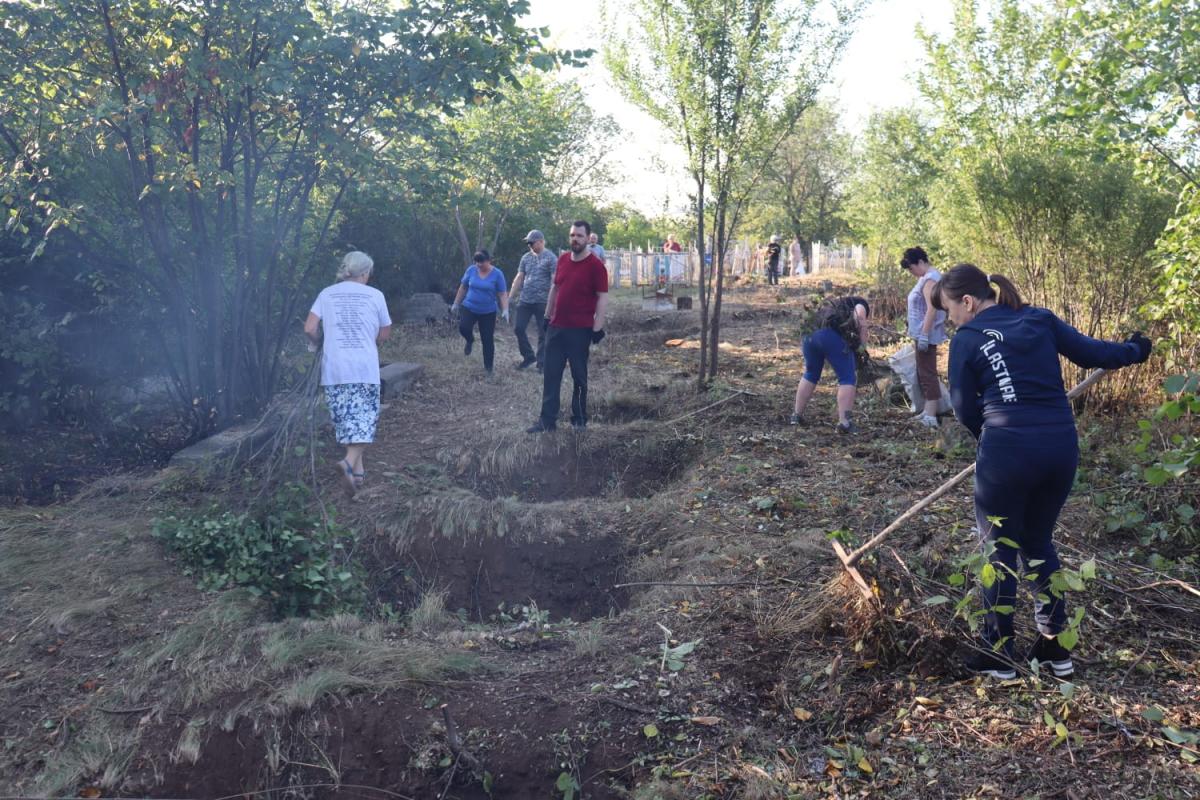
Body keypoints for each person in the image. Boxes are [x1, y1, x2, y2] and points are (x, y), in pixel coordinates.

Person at [933, 263, 1151, 679]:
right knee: (1037, 542)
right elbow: (1097, 353)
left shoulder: (967, 339)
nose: (950, 320)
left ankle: (998, 654)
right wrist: (1135, 350)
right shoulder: (1039, 319)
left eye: (949, 310)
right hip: (1059, 449)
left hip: (1007, 453)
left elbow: (963, 408)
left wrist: (994, 440)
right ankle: (1054, 648)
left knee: (998, 549)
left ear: (967, 301)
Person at [304, 251, 392, 496]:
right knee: (366, 421)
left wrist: (320, 340)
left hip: (334, 369)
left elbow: (310, 327)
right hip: (363, 368)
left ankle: (357, 471)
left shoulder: (326, 293)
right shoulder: (375, 295)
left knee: (346, 421)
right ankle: (348, 461)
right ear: (364, 273)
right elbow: (384, 333)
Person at [527, 221, 609, 433]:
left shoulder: (596, 266)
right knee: (550, 374)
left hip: (580, 330)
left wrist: (597, 327)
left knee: (579, 376)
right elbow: (555, 289)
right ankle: (547, 422)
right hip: (556, 327)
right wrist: (546, 316)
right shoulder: (563, 259)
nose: (575, 239)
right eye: (572, 235)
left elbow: (602, 298)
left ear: (588, 238)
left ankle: (579, 419)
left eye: (580, 236)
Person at [790, 295, 870, 433]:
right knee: (847, 378)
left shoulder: (833, 305)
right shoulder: (861, 303)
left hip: (809, 334)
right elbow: (860, 318)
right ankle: (845, 423)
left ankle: (796, 415)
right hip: (829, 334)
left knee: (811, 373)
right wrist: (862, 348)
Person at [900, 246, 948, 428]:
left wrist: (924, 335)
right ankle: (927, 411)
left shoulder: (930, 279)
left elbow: (932, 308)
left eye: (912, 268)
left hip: (926, 334)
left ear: (920, 262)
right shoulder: (926, 278)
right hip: (921, 333)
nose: (912, 273)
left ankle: (931, 414)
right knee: (923, 371)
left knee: (928, 373)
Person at [450, 250, 509, 375]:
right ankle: (470, 340)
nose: (479, 264)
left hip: (488, 311)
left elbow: (502, 293)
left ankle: (488, 369)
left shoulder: (497, 274)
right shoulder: (471, 270)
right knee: (463, 328)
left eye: (481, 262)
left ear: (488, 260)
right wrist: (456, 303)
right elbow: (463, 287)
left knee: (487, 339)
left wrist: (505, 310)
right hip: (469, 307)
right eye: (476, 262)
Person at [509, 230, 557, 370]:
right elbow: (519, 277)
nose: (529, 245)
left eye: (532, 242)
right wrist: (510, 296)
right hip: (525, 300)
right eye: (528, 243)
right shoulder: (526, 257)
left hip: (543, 302)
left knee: (543, 333)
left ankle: (542, 363)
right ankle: (529, 357)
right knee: (519, 328)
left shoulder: (551, 258)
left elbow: (555, 281)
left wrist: (552, 301)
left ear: (541, 241)